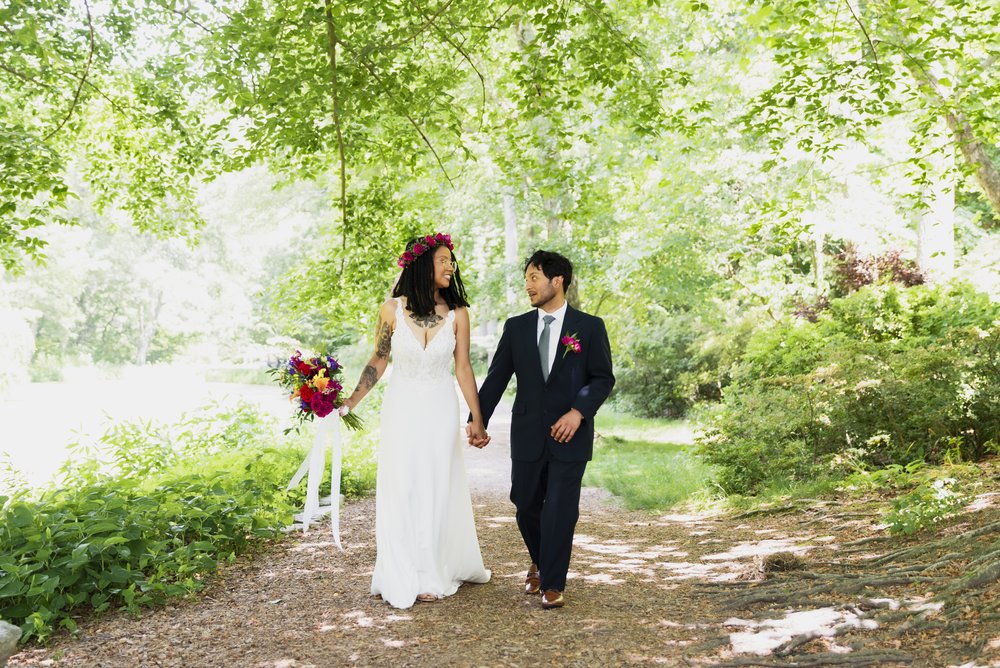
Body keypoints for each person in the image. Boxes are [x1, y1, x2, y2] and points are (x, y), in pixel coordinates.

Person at [340, 233, 491, 609]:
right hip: (402, 407)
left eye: (451, 262)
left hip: (440, 407)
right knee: (404, 484)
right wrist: (349, 403)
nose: (450, 267)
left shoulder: (458, 314)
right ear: (424, 265)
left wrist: (478, 418)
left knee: (436, 483)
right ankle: (403, 565)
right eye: (444, 260)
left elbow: (463, 368)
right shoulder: (391, 309)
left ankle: (430, 570)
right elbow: (378, 360)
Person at [470, 250, 615, 609]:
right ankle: (539, 558)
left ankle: (552, 581)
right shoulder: (516, 327)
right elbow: (496, 379)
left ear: (557, 280)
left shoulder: (590, 327)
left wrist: (578, 412)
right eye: (527, 278)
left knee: (561, 508)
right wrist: (478, 420)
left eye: (534, 277)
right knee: (525, 503)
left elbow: (602, 378)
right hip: (529, 435)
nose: (528, 285)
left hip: (571, 436)